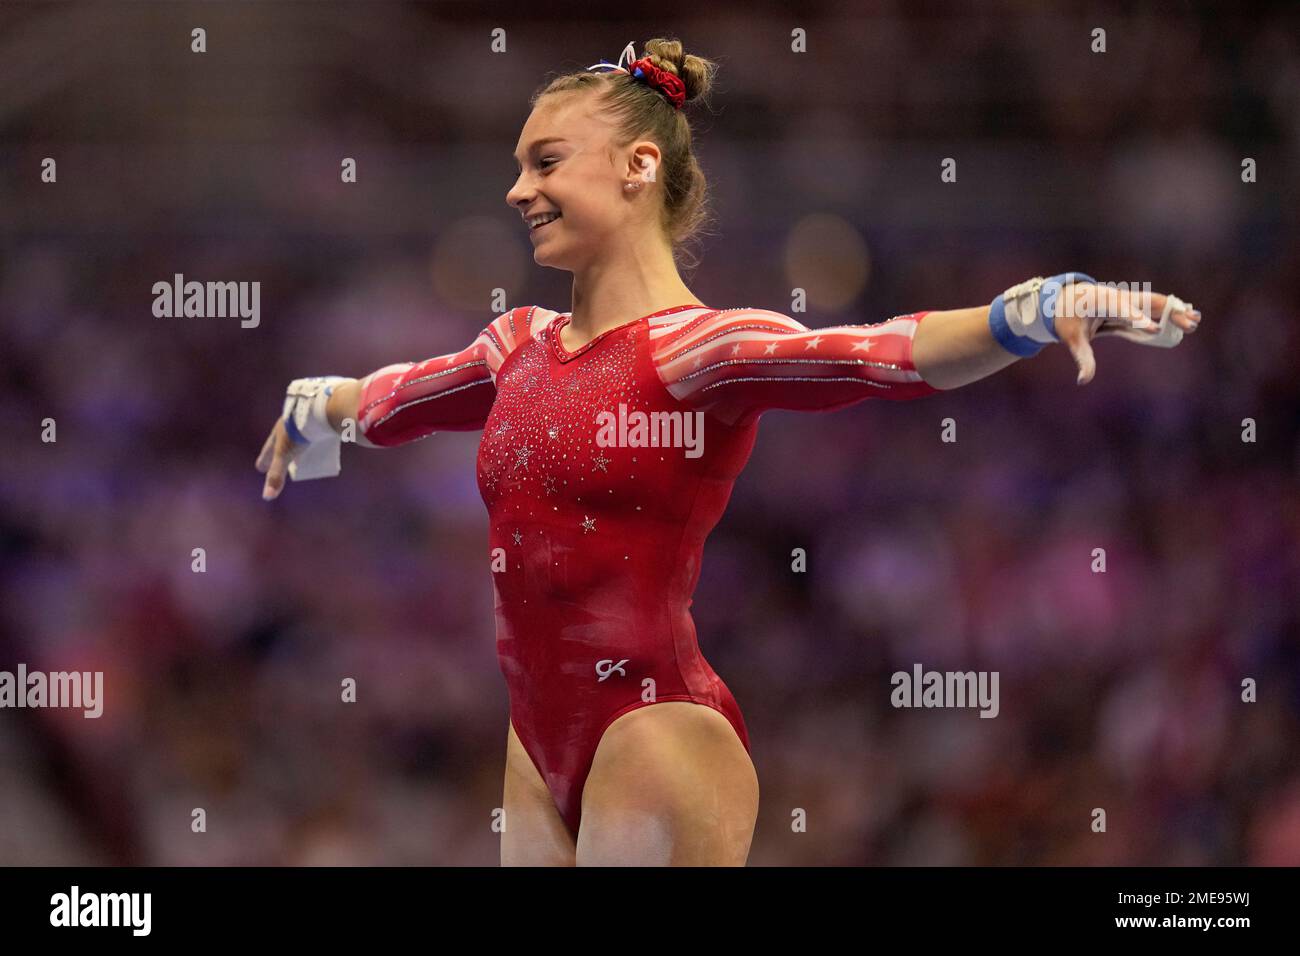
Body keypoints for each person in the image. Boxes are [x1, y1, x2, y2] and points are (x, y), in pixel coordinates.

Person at [255, 38, 1202, 866]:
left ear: (634, 166)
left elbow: (879, 356)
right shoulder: (514, 347)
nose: (516, 189)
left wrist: (1028, 312)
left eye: (545, 161)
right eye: (517, 165)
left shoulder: (698, 349)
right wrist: (317, 409)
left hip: (654, 729)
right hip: (535, 748)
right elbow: (399, 397)